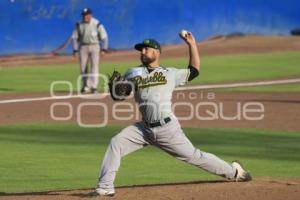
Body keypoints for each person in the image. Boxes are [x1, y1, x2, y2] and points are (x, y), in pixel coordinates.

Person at [92, 32, 251, 196]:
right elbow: (122, 95)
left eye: (146, 49)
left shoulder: (170, 73)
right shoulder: (132, 72)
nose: (143, 52)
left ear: (157, 52)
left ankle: (234, 172)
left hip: (167, 129)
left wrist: (192, 44)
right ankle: (105, 187)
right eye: (141, 49)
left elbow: (194, 70)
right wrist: (118, 94)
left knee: (194, 156)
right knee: (116, 142)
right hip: (143, 129)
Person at [72, 8, 108, 94]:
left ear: (90, 15)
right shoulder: (79, 24)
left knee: (94, 67)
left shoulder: (96, 23)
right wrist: (75, 50)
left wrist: (104, 49)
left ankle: (94, 87)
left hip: (95, 46)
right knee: (83, 67)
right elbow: (75, 38)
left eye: (87, 15)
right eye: (84, 15)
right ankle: (85, 86)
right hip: (83, 47)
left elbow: (104, 37)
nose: (85, 17)